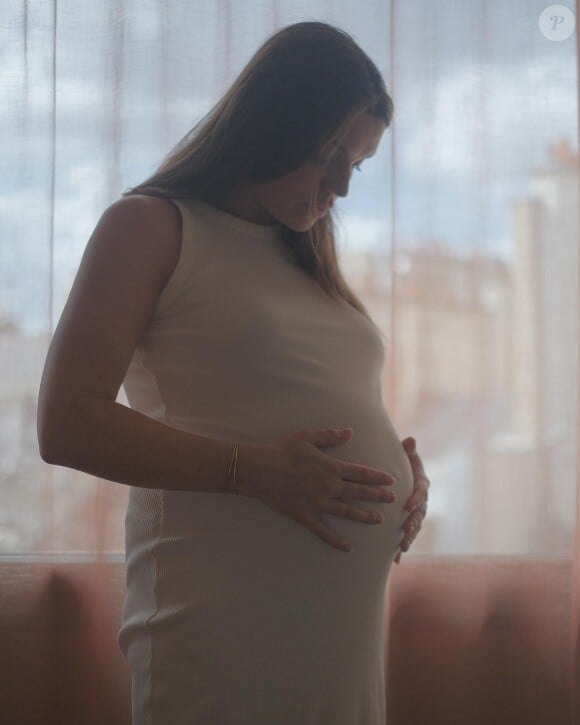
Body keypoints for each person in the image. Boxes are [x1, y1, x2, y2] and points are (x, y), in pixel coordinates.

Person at [37, 20, 429, 725]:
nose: (341, 184)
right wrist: (256, 470)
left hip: (335, 637)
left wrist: (403, 479)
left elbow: (311, 396)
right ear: (273, 123)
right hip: (218, 617)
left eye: (359, 163)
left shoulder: (305, 255)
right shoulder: (149, 226)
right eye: (329, 153)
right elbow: (67, 422)